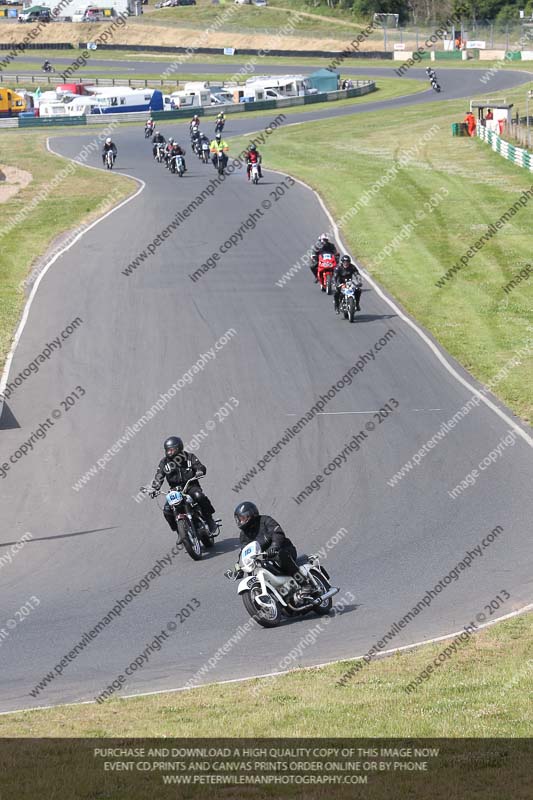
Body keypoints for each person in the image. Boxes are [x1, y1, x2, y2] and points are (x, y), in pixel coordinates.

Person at [150, 436, 217, 534]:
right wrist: (155, 487)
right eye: (167, 450)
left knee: (199, 496)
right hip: (175, 490)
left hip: (190, 486)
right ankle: (179, 532)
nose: (169, 453)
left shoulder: (189, 457)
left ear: (179, 448)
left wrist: (199, 471)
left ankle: (209, 519)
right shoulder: (164, 463)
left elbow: (199, 466)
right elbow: (159, 475)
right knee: (167, 510)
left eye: (171, 450)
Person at [234, 502, 300, 579]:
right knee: (253, 569)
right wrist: (239, 567)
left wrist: (274, 546)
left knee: (280, 555)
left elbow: (277, 533)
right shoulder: (244, 534)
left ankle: (303, 582)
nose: (240, 521)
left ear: (250, 515)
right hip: (267, 558)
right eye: (239, 519)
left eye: (242, 518)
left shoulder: (265, 520)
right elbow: (244, 551)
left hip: (284, 550)